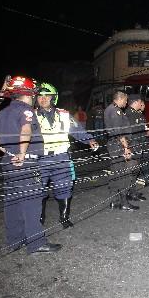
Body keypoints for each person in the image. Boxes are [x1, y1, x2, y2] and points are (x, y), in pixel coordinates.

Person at [0, 76, 61, 253]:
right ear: (28, 93)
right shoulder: (26, 110)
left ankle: (14, 241)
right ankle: (36, 243)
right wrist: (22, 154)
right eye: (34, 92)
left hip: (8, 163)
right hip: (25, 163)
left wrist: (9, 153)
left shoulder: (2, 113)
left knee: (12, 202)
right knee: (32, 202)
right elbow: (26, 130)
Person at [36, 82, 99, 228]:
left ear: (53, 98)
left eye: (47, 96)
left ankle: (64, 217)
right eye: (40, 96)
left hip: (61, 158)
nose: (43, 98)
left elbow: (78, 130)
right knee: (38, 190)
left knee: (65, 187)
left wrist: (90, 139)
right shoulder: (31, 116)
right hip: (40, 159)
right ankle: (39, 219)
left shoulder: (64, 115)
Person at [104, 90, 138, 211]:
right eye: (125, 100)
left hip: (114, 145)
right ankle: (123, 202)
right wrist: (126, 148)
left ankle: (115, 201)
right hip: (118, 146)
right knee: (124, 173)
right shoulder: (116, 111)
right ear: (120, 99)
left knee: (116, 173)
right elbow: (119, 132)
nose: (126, 102)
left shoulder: (111, 109)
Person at [124, 94, 148, 202]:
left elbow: (140, 131)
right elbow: (128, 134)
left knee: (135, 170)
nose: (141, 104)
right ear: (135, 102)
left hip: (138, 145)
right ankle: (129, 192)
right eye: (140, 102)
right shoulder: (129, 114)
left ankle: (132, 191)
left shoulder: (136, 114)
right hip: (133, 146)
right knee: (131, 170)